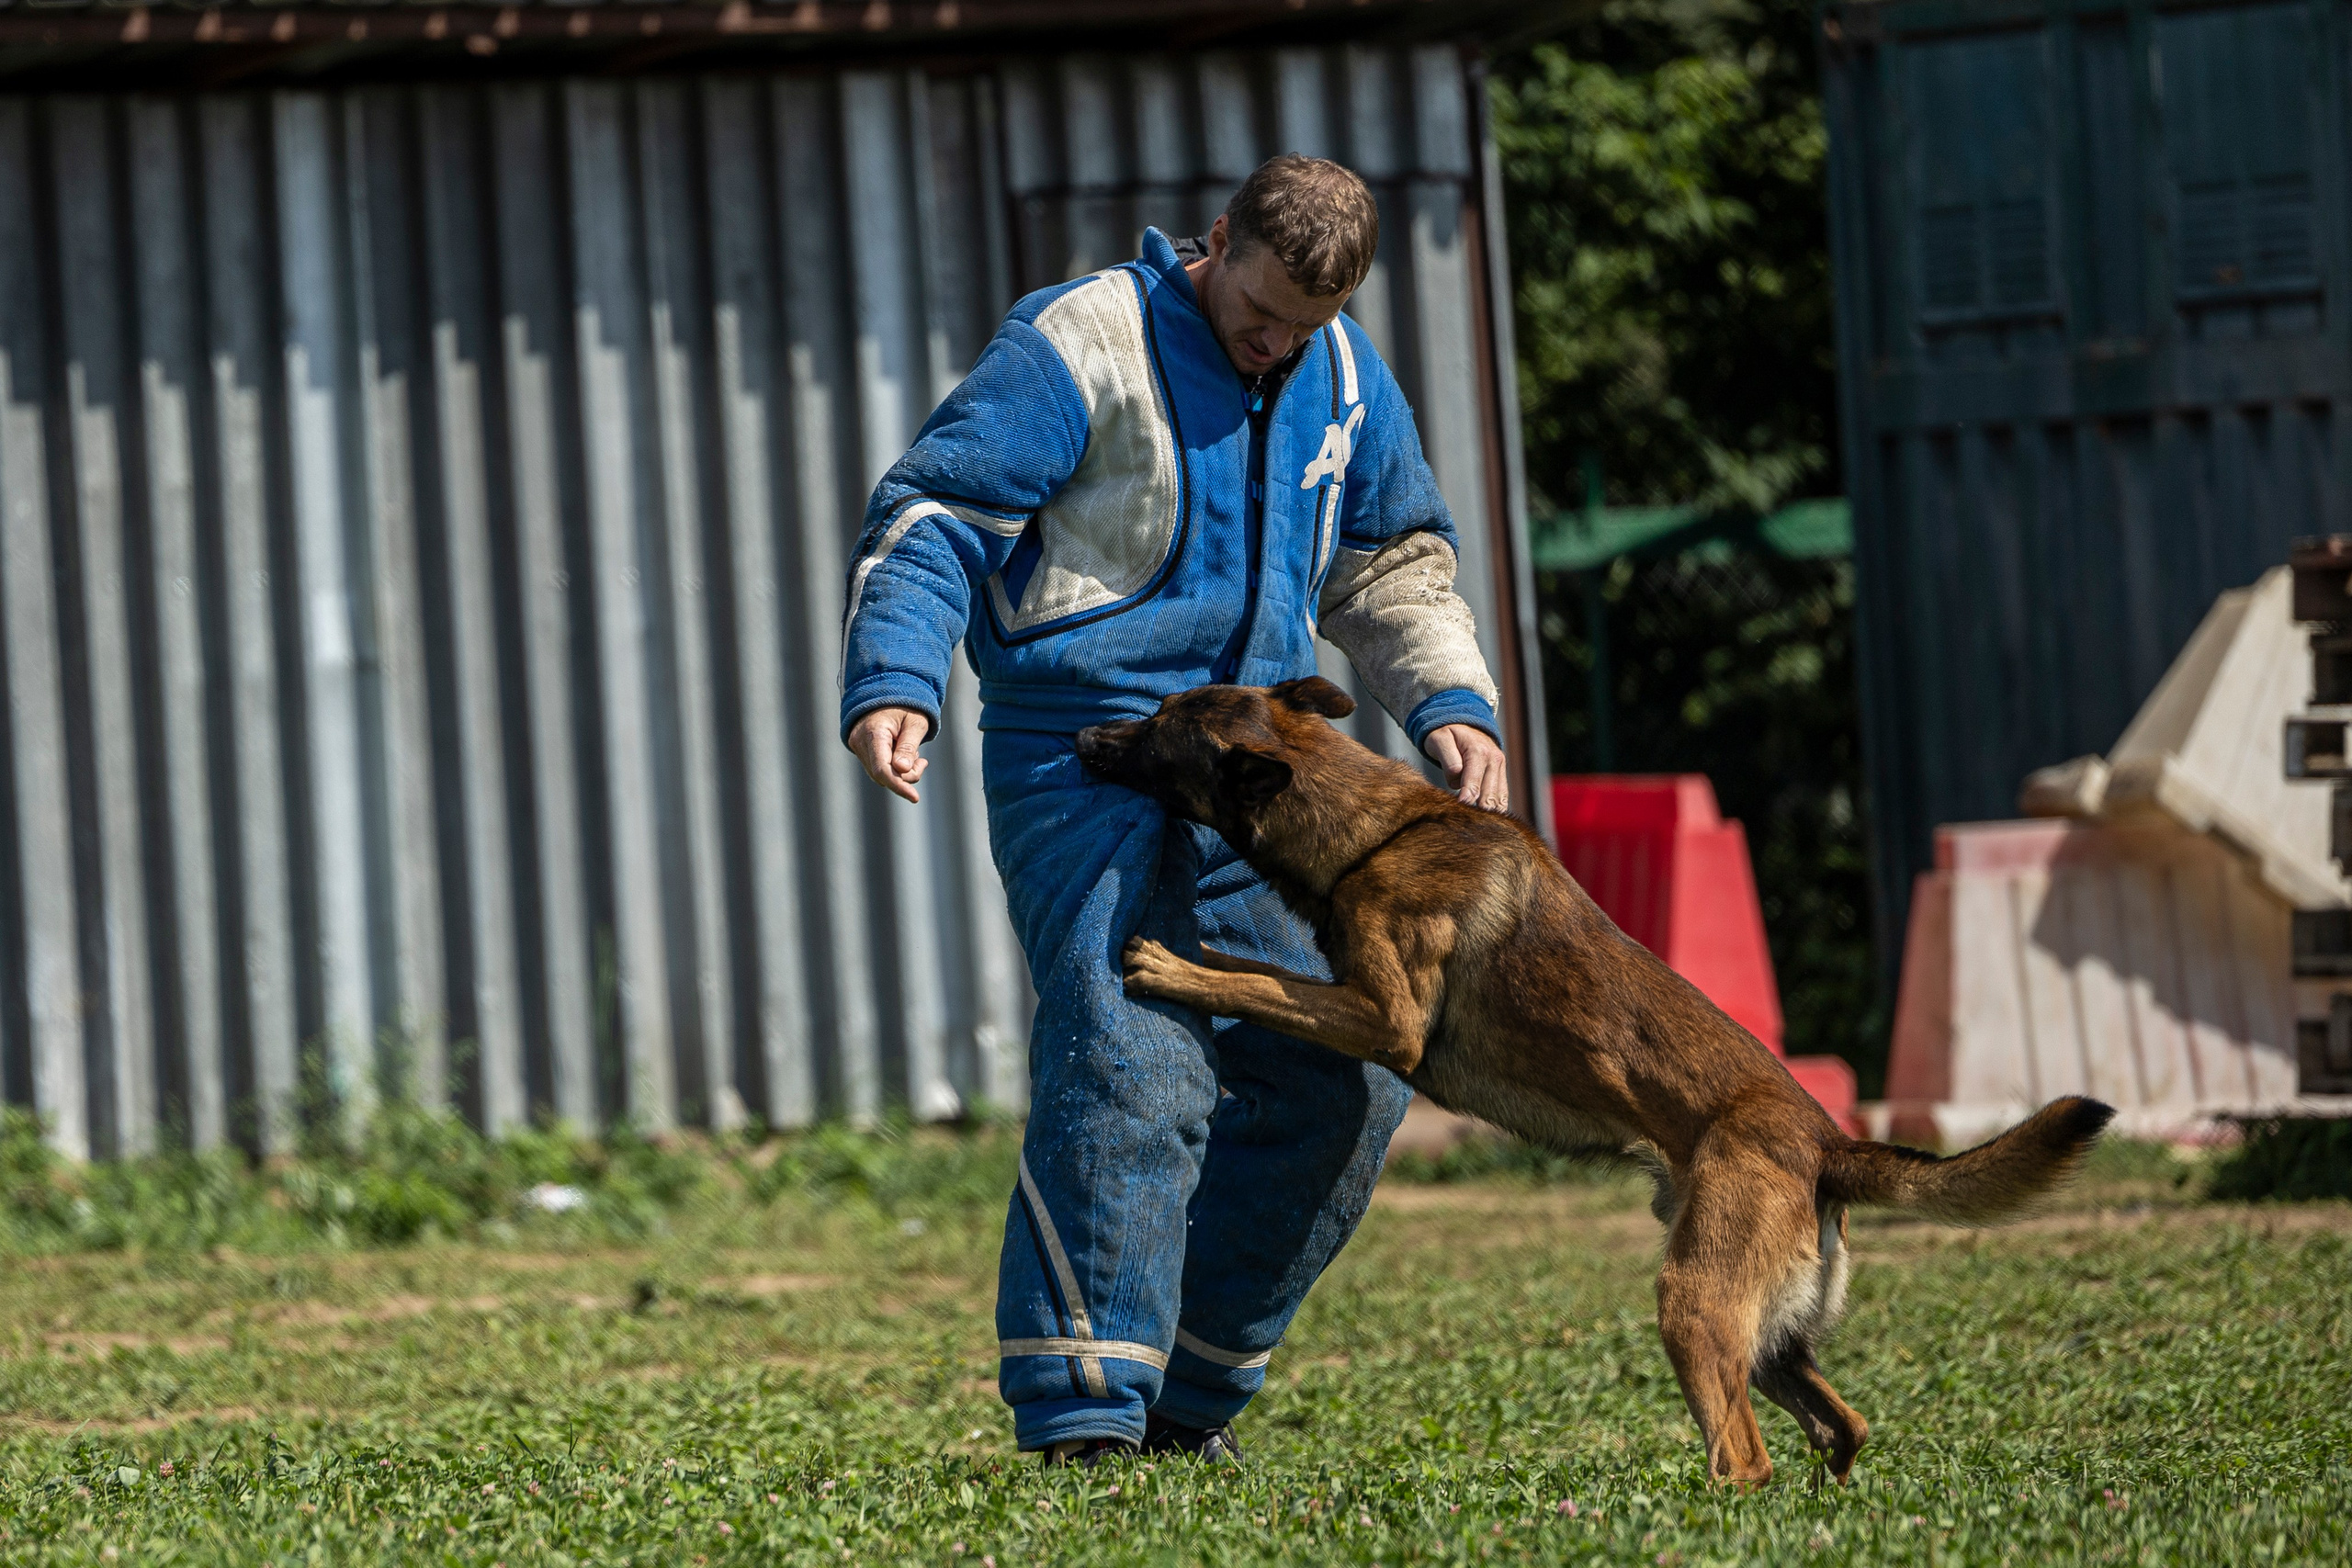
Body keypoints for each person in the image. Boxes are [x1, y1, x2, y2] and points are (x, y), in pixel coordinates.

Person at [840, 153, 1508, 1466]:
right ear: (1213, 242)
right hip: (1083, 753)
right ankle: (1087, 1416)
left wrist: (1453, 703)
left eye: (1303, 330)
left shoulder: (1348, 375)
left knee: (1353, 1078)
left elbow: (1396, 559)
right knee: (1132, 1047)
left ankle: (1187, 1402)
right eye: (1257, 315)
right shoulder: (1074, 339)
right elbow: (932, 516)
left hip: (1259, 771)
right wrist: (897, 676)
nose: (1274, 348)